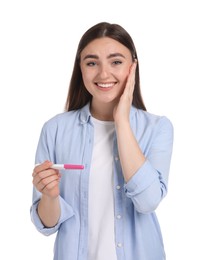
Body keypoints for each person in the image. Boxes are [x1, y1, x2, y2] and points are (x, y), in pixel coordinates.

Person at [31, 22, 174, 260]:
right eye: (91, 63)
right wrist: (50, 195)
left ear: (133, 67)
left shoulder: (158, 128)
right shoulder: (55, 129)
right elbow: (47, 223)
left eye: (116, 62)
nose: (103, 74)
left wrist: (122, 122)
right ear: (81, 68)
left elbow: (148, 202)